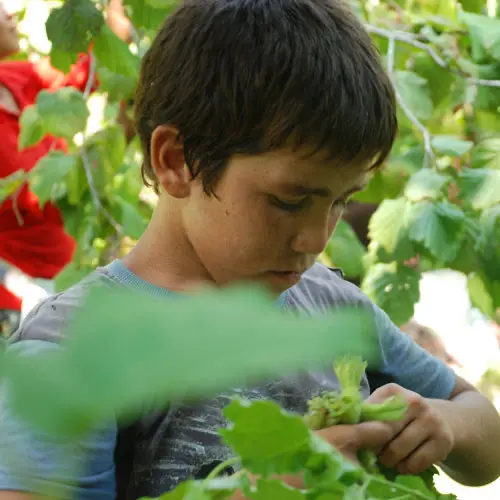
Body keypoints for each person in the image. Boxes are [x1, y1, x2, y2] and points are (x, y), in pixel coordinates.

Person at [2, 1, 500, 499]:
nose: (317, 239)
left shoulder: (332, 307)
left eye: (340, 202)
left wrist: (446, 425)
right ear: (176, 161)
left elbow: (486, 438)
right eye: (288, 201)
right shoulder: (73, 351)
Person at [0, 0, 131, 338]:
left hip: (63, 288)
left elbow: (85, 68)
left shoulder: (16, 78)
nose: (10, 12)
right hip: (16, 303)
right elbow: (43, 198)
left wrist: (115, 12)